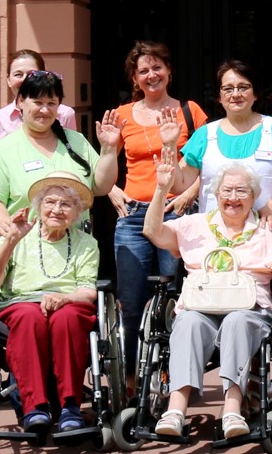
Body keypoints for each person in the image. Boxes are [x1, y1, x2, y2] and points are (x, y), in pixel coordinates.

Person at [143, 163, 272, 439]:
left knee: (237, 320)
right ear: (216, 194)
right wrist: (162, 189)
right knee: (187, 322)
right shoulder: (195, 224)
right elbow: (152, 231)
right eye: (227, 190)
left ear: (254, 195)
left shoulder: (266, 228)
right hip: (201, 305)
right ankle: (175, 410)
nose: (233, 197)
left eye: (241, 190)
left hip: (250, 309)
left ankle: (232, 410)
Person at [101, 41, 206, 366]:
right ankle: (132, 378)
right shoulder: (121, 116)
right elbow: (102, 166)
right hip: (134, 217)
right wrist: (112, 191)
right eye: (143, 70)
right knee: (131, 301)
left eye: (157, 67)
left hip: (177, 214)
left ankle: (172, 372)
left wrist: (190, 193)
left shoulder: (190, 111)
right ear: (135, 79)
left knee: (176, 299)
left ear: (169, 71)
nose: (151, 75)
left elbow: (209, 162)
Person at [0, 172, 100, 432]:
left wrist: (64, 298)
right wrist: (10, 240)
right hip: (21, 303)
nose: (57, 210)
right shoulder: (16, 236)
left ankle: (70, 406)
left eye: (66, 204)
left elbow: (88, 291)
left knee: (67, 318)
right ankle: (34, 407)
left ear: (77, 212)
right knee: (28, 317)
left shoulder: (87, 244)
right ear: (39, 206)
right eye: (50, 202)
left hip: (69, 303)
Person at [168, 60, 272, 242]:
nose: (236, 94)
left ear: (255, 93)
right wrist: (169, 145)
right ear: (219, 96)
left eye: (243, 87)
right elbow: (180, 184)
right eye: (228, 89)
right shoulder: (204, 135)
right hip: (214, 240)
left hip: (267, 237)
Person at [0, 71, 120, 236]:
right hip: (24, 249)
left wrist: (108, 150)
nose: (44, 110)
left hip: (75, 251)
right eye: (38, 102)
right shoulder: (5, 149)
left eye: (51, 103)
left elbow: (101, 186)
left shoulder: (76, 141)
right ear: (21, 102)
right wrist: (6, 227)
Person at [0, 49, 78, 139]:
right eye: (18, 74)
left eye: (32, 74)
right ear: (8, 80)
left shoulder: (65, 114)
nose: (25, 79)